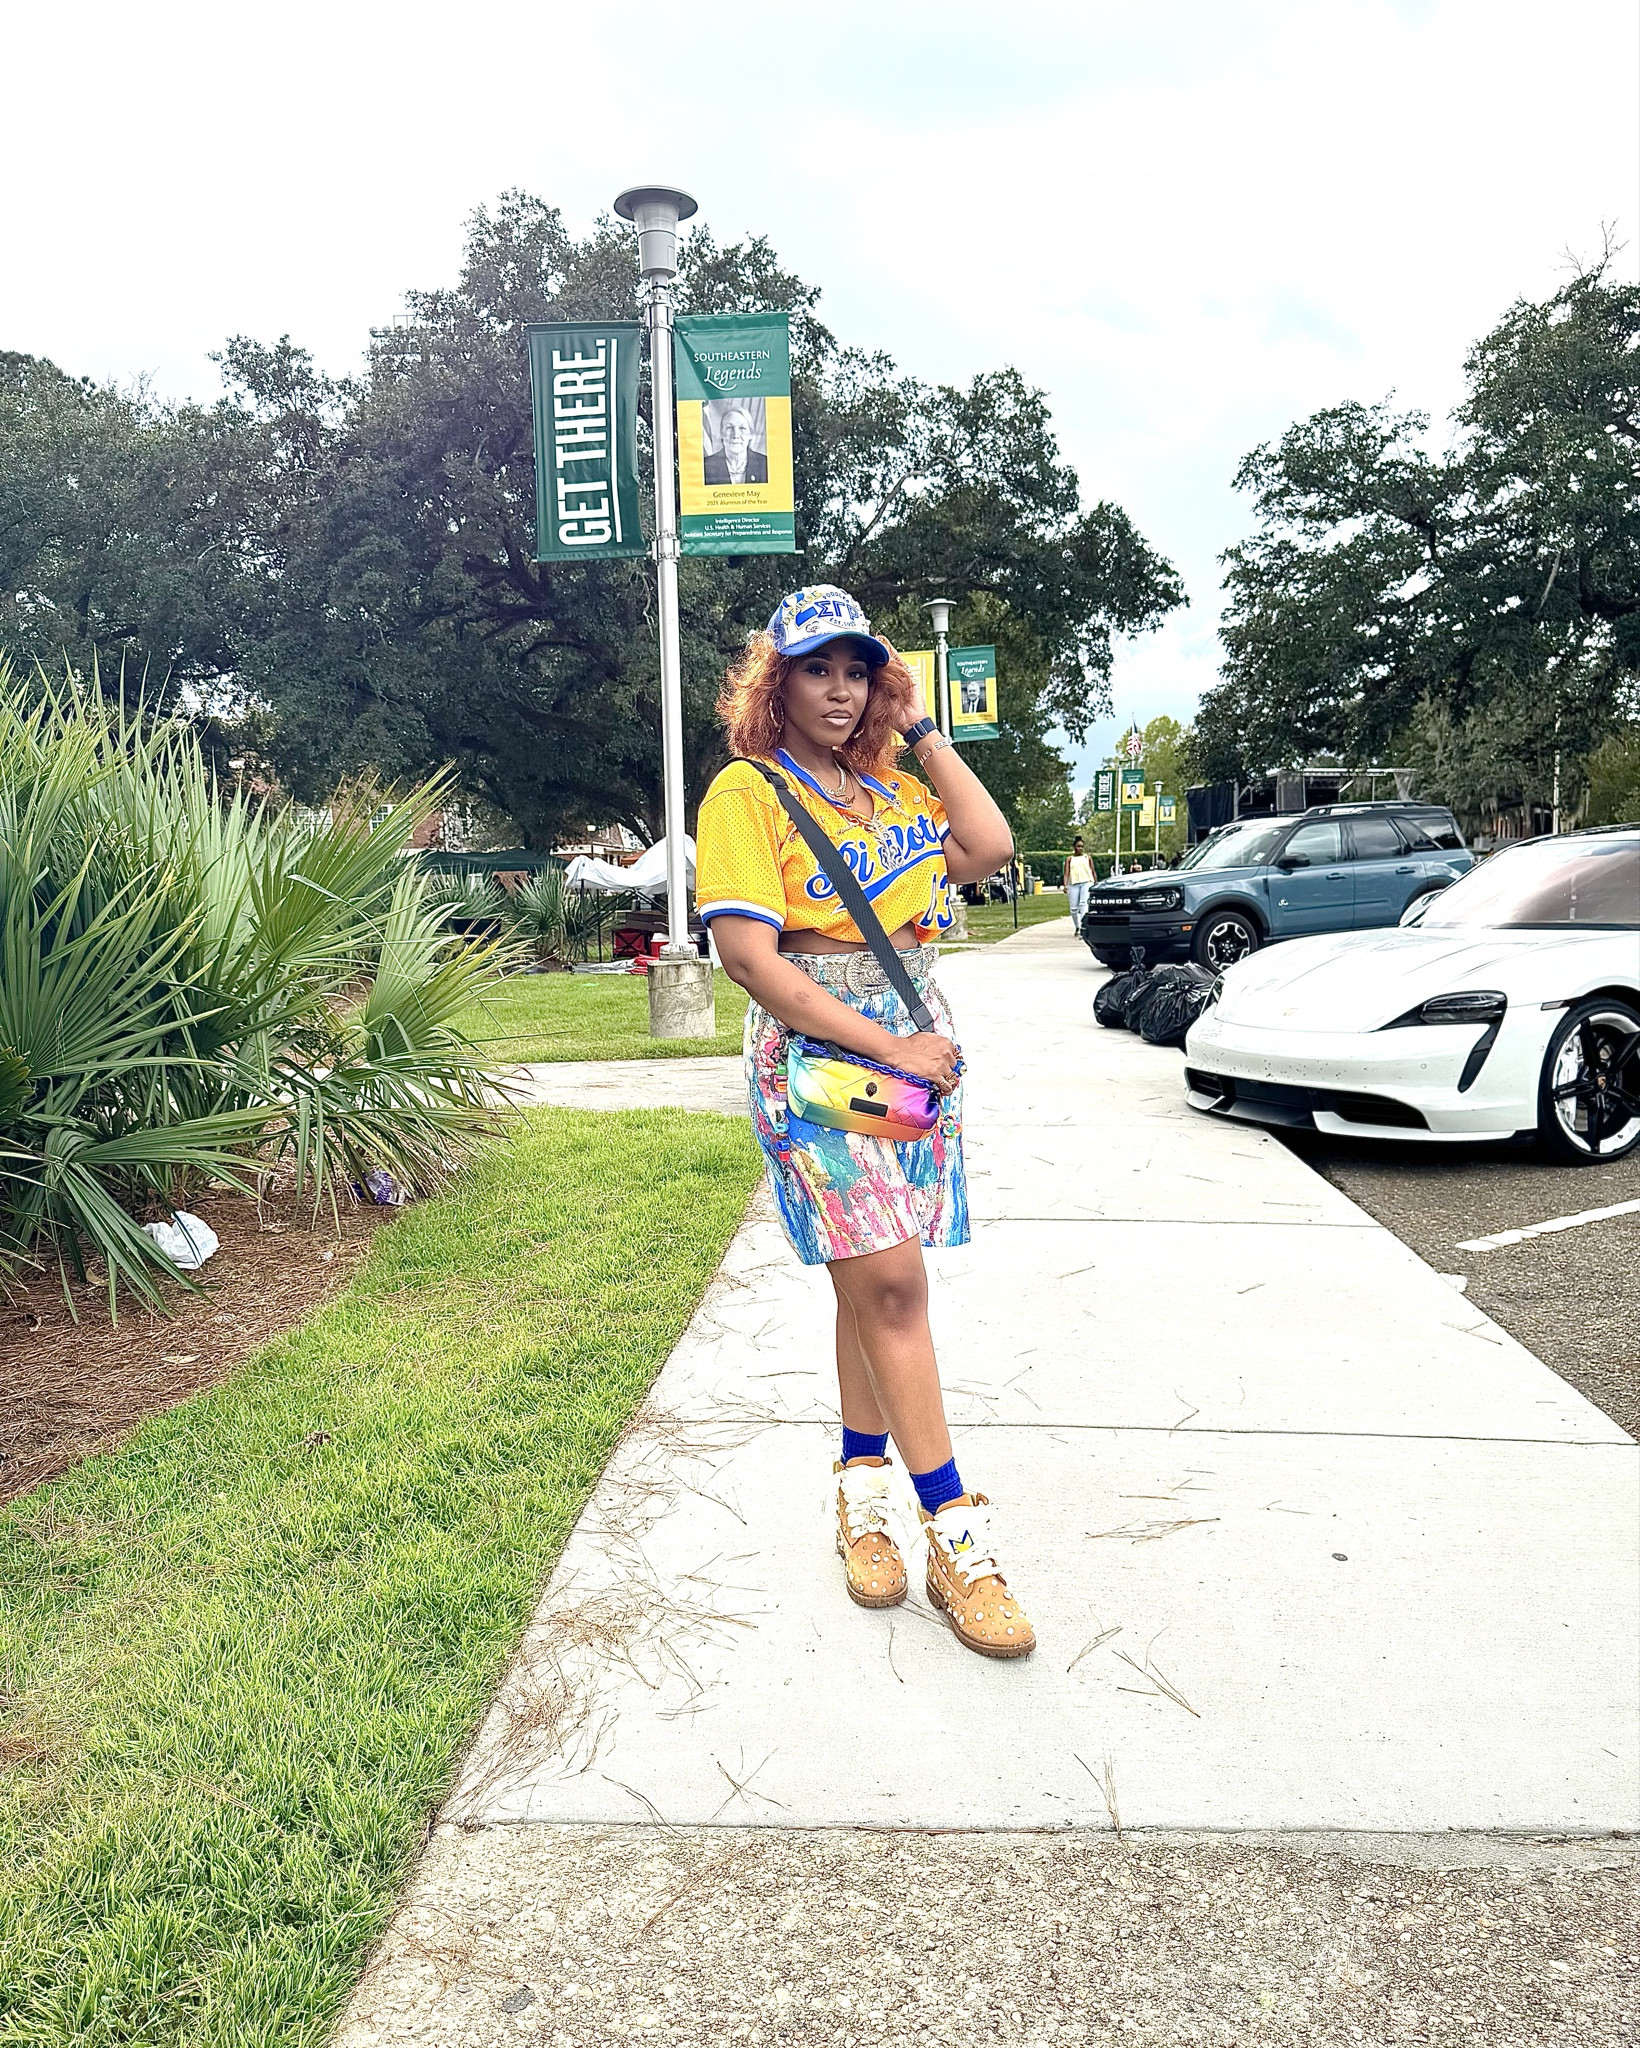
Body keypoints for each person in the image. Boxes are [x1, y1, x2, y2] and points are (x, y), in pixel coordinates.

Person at [697, 584, 1036, 1659]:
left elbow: (985, 843)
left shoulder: (887, 790)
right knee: (891, 1279)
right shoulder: (746, 793)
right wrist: (889, 1046)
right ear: (776, 681)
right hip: (821, 1059)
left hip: (908, 1040)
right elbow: (752, 963)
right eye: (816, 669)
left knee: (867, 1274)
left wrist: (924, 726)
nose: (839, 690)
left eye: (858, 669)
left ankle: (859, 1495)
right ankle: (955, 1534)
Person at [702, 401, 769, 486]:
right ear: (721, 433)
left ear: (751, 434)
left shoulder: (765, 465)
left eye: (742, 428)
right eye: (729, 428)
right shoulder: (706, 467)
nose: (736, 435)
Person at [1064, 835, 1093, 930]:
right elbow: (1066, 873)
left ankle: (1082, 927)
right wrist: (1065, 885)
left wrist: (1095, 883)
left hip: (1086, 882)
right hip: (1073, 884)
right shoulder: (1070, 859)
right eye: (1078, 846)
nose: (1080, 848)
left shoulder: (1087, 857)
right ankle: (1077, 926)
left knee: (1083, 904)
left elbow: (1092, 871)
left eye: (1082, 846)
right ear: (1074, 847)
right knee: (1073, 908)